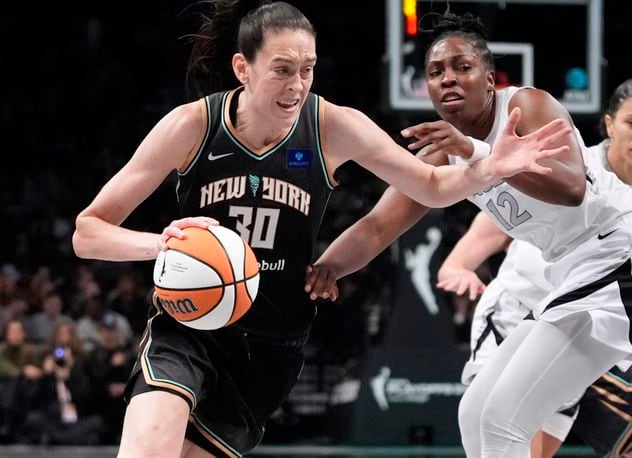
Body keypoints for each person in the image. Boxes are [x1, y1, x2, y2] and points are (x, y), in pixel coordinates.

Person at [70, 1, 569, 456]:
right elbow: (87, 231)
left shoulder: (332, 125)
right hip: (189, 326)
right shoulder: (192, 126)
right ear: (242, 68)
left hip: (268, 345)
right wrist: (161, 244)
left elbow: (431, 186)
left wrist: (490, 166)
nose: (297, 85)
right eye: (282, 70)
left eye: (306, 70)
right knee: (148, 448)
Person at [304, 11, 632, 458]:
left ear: (489, 79)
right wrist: (329, 266)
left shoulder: (526, 105)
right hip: (583, 270)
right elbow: (377, 226)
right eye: (435, 72)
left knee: (502, 417)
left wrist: (480, 152)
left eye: (462, 68)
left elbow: (570, 188)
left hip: (629, 253)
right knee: (477, 411)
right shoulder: (442, 156)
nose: (448, 79)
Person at [433, 77, 632, 457]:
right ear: (610, 125)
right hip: (519, 309)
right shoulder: (573, 161)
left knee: (521, 437)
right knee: (496, 425)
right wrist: (458, 264)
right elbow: (499, 219)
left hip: (581, 316)